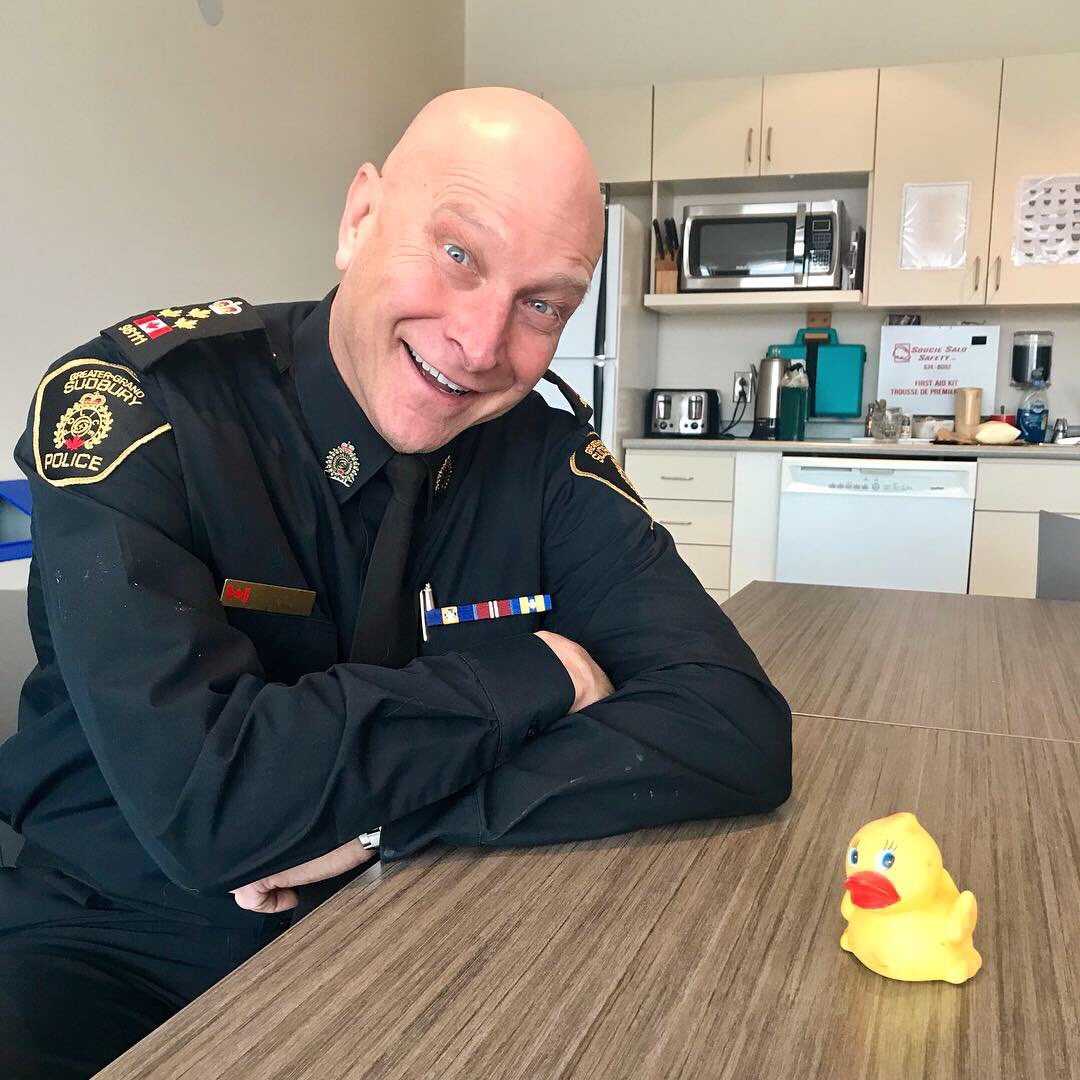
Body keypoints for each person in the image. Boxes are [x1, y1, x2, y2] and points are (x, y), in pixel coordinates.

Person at [0, 87, 792, 1077]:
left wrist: (384, 824)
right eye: (459, 254)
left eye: (541, 304)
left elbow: (733, 726)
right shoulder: (142, 414)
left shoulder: (544, 461)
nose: (479, 343)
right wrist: (535, 674)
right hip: (113, 948)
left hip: (425, 919)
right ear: (360, 216)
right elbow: (215, 814)